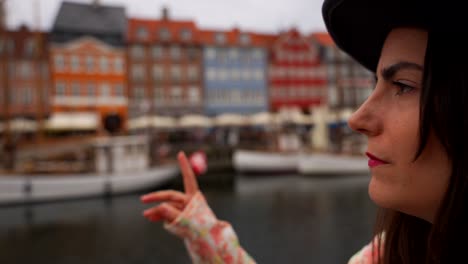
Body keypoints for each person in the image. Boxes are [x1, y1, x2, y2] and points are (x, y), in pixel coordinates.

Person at [141, 0, 468, 262]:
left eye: (403, 85)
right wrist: (207, 236)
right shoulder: (392, 253)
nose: (357, 118)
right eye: (376, 83)